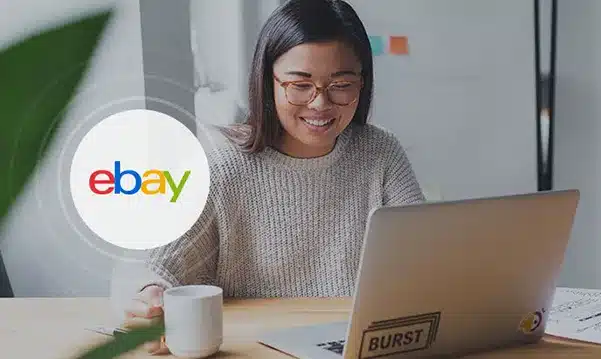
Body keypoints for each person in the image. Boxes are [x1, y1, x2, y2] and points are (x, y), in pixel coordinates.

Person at [119, 0, 424, 354]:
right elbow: (154, 269)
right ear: (268, 81)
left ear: (362, 82)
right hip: (252, 348)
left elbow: (425, 261)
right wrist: (148, 298)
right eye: (300, 85)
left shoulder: (380, 152)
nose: (320, 104)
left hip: (355, 345)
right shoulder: (219, 162)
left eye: (341, 84)